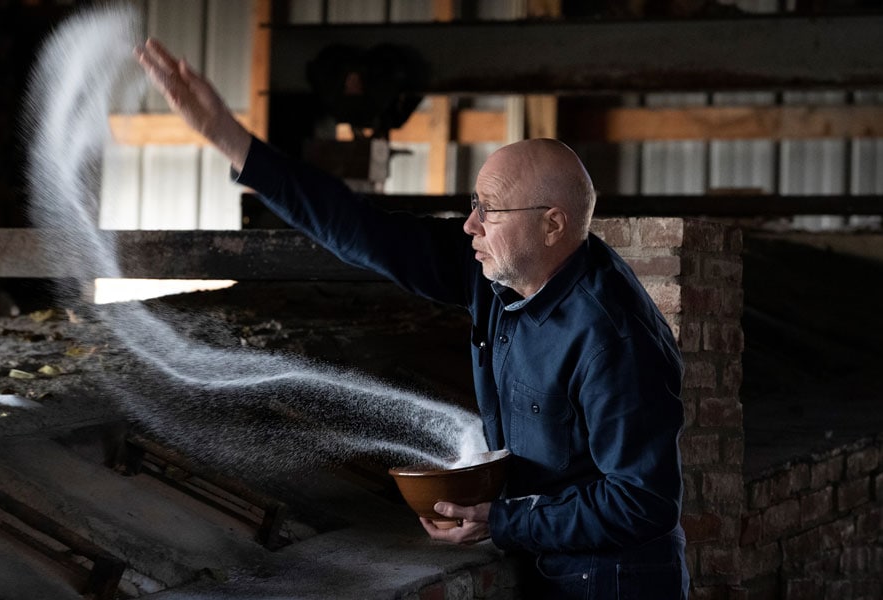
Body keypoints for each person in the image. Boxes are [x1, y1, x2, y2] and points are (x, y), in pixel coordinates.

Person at [137, 38, 690, 599]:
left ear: (552, 224)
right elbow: (364, 231)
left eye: (490, 210)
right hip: (549, 564)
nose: (471, 225)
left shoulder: (612, 339)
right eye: (473, 205)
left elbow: (642, 502)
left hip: (615, 581)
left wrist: (502, 522)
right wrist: (230, 141)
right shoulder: (495, 271)